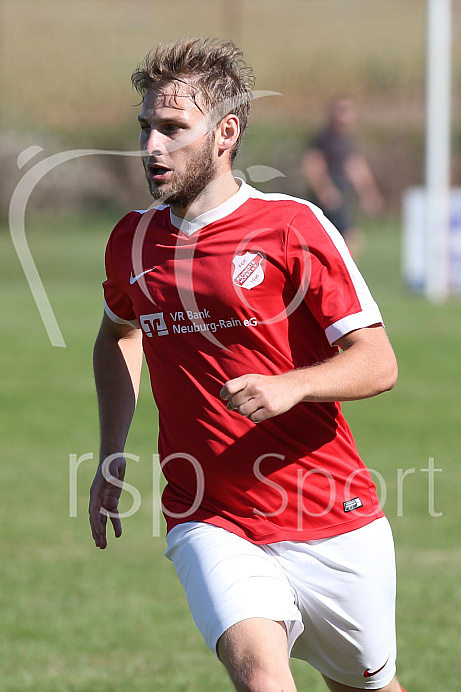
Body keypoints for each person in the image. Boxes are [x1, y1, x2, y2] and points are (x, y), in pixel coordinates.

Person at [89, 37, 406, 692]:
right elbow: (120, 335)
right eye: (146, 126)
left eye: (173, 129)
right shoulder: (133, 240)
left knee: (363, 686)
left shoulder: (292, 227)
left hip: (329, 515)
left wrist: (293, 386)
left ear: (226, 131)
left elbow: (376, 362)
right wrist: (110, 452)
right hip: (208, 513)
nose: (151, 146)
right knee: (261, 677)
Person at [302, 97, 384, 256]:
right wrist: (324, 189)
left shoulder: (347, 140)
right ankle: (339, 272)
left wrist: (369, 194)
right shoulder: (325, 139)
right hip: (331, 194)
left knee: (346, 237)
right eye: (342, 110)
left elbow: (356, 168)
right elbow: (313, 164)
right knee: (349, 236)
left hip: (342, 193)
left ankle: (338, 271)